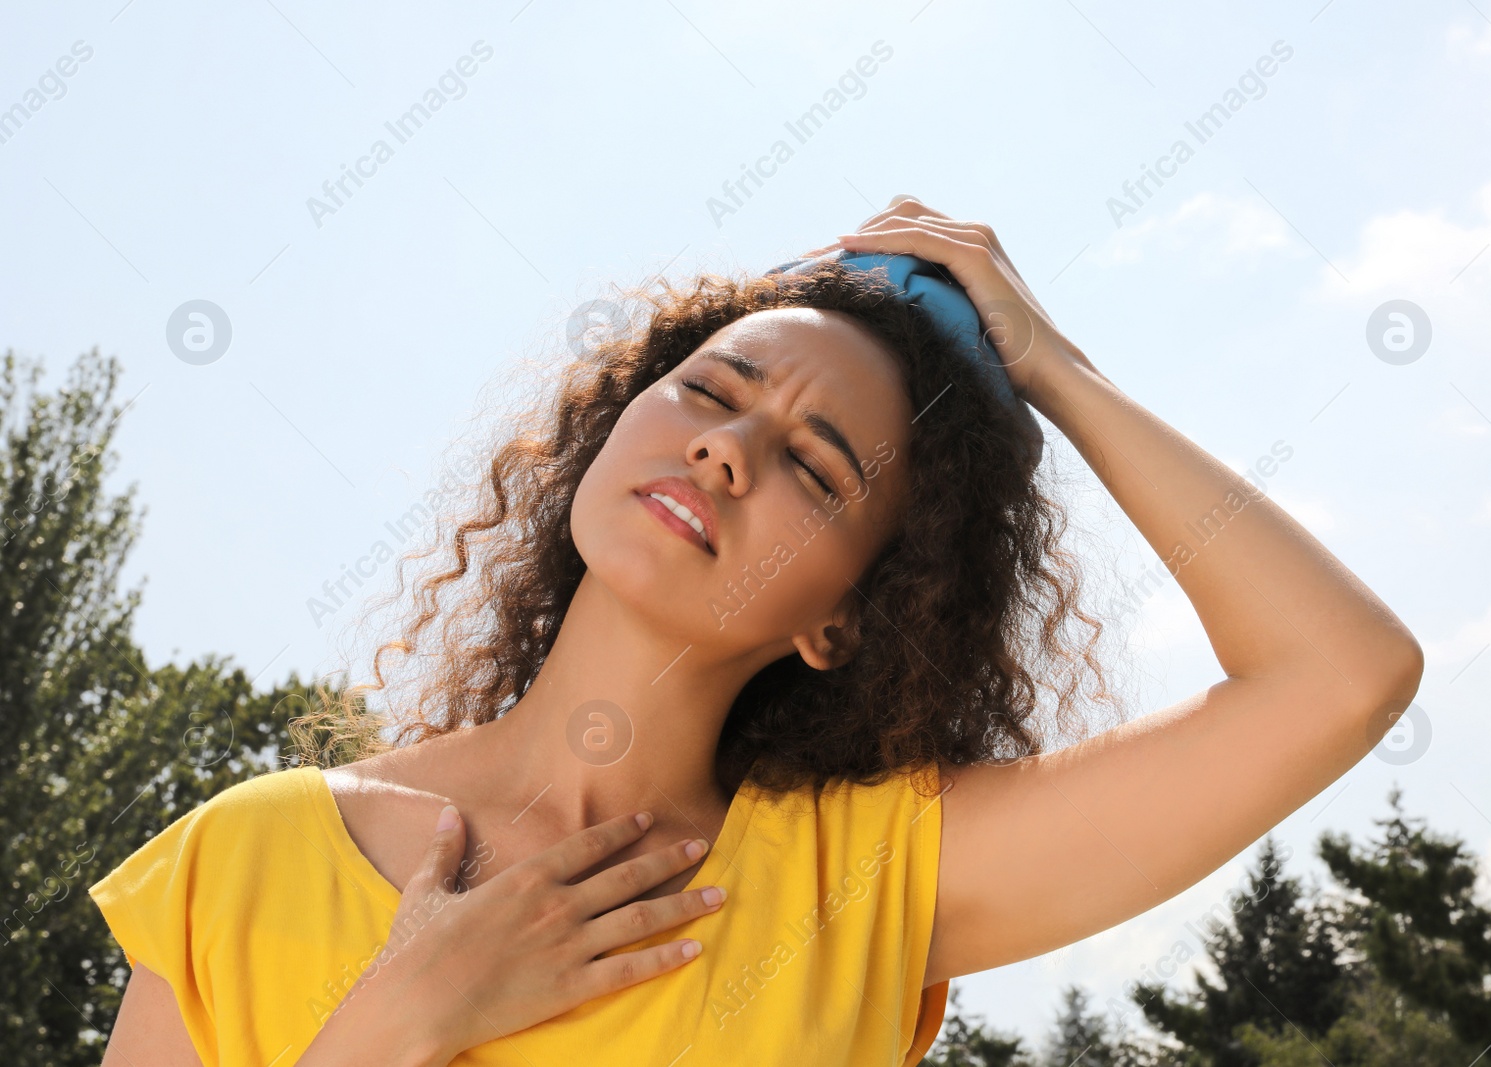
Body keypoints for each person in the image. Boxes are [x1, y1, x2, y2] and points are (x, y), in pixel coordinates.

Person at [91, 197, 1423, 1066]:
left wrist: (1054, 372)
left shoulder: (869, 882)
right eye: (710, 391)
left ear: (846, 620)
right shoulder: (246, 856)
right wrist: (390, 1030)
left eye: (817, 466)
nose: (728, 448)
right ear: (605, 435)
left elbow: (1343, 676)